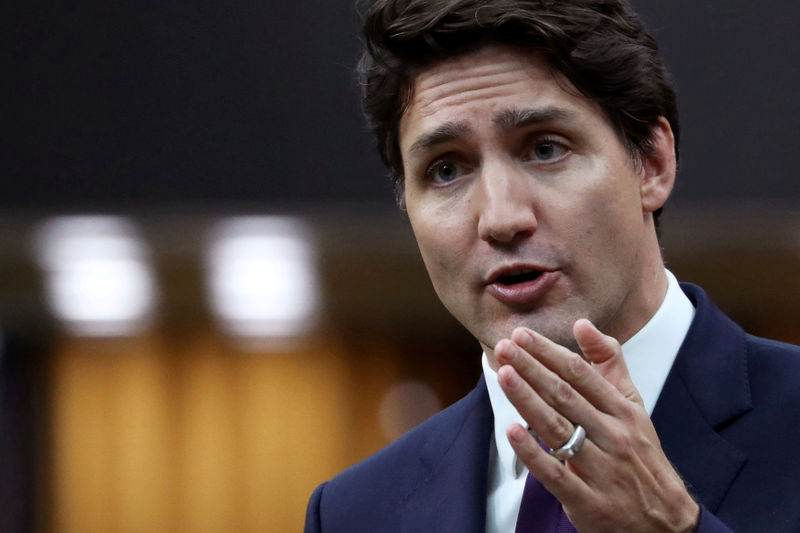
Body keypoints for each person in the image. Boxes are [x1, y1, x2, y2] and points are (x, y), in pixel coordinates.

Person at [305, 0, 800, 531]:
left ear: (652, 164)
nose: (500, 218)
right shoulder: (353, 512)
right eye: (446, 169)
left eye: (545, 149)